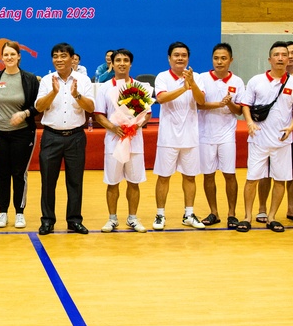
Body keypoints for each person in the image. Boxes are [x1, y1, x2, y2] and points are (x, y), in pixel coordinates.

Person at [237, 41, 293, 233]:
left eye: (285, 55)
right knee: (252, 179)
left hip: (282, 140)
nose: (281, 58)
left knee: (280, 179)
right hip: (258, 139)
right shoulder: (256, 81)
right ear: (270, 59)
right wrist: (249, 122)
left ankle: (272, 217)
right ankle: (247, 217)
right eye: (277, 55)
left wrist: (290, 128)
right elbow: (245, 104)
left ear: (289, 58)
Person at [35, 42, 94, 235]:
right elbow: (39, 107)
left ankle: (74, 220)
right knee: (48, 181)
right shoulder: (46, 80)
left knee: (75, 181)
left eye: (62, 56)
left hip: (75, 136)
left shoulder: (83, 80)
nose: (58, 60)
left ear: (72, 58)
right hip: (51, 136)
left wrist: (76, 95)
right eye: (55, 56)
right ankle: (47, 221)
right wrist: (53, 92)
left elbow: (91, 108)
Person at [0, 40, 39, 229]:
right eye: (6, 55)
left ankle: (20, 212)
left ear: (19, 56)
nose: (9, 58)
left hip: (22, 134)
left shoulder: (30, 79)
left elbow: (37, 106)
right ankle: (3, 212)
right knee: (2, 174)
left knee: (19, 174)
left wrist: (25, 114)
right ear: (2, 57)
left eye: (12, 54)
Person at [152, 41, 206, 230]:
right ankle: (160, 215)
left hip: (190, 136)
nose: (180, 58)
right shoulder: (162, 77)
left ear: (188, 58)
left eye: (184, 55)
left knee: (190, 177)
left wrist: (191, 84)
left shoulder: (197, 77)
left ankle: (189, 214)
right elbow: (161, 98)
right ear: (169, 58)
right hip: (168, 136)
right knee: (164, 177)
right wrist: (184, 87)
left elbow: (201, 101)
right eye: (176, 55)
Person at [93, 48, 148, 233]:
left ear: (130, 64)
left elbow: (147, 114)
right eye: (118, 60)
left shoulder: (140, 86)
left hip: (134, 141)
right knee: (113, 182)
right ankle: (112, 219)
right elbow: (99, 115)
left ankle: (133, 218)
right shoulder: (105, 88)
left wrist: (137, 125)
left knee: (134, 181)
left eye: (125, 60)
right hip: (114, 140)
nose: (122, 63)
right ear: (112, 63)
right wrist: (113, 127)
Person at [196, 43, 245, 228]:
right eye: (216, 58)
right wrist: (218, 104)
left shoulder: (237, 82)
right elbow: (198, 105)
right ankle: (213, 212)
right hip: (205, 135)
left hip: (227, 136)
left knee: (229, 174)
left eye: (224, 58)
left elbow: (239, 110)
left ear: (230, 60)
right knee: (208, 175)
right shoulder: (201, 78)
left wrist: (229, 103)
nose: (219, 61)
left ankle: (232, 214)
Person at [257, 40, 293, 222]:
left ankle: (291, 209)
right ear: (272, 58)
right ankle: (262, 208)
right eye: (285, 53)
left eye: (291, 53)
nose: (288, 56)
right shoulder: (263, 80)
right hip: (269, 134)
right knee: (266, 172)